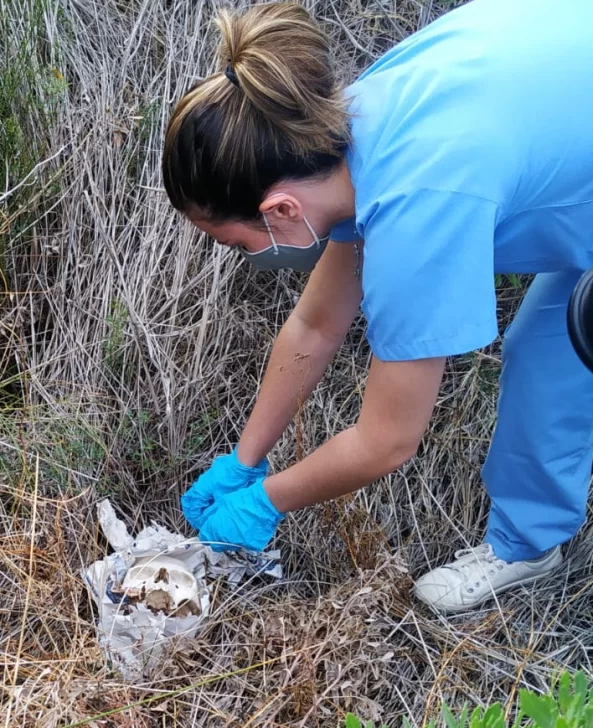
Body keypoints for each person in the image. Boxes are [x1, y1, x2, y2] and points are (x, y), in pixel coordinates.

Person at [161, 0, 593, 614]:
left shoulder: (419, 204)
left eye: (236, 242)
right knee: (552, 348)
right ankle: (531, 543)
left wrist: (266, 502)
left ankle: (527, 544)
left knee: (563, 346)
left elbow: (388, 441)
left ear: (281, 209)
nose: (243, 257)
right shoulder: (350, 129)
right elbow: (315, 326)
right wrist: (243, 460)